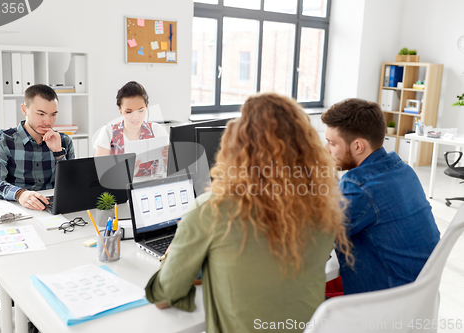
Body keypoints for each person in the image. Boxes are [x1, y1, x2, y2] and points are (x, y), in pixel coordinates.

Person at [145, 93, 353, 333]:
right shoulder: (323, 206)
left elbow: (163, 297)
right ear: (307, 148)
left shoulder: (210, 209)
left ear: (236, 147)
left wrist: (173, 254)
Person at [321, 98, 440, 295]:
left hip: (385, 300)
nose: (326, 149)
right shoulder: (402, 169)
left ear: (358, 146)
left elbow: (312, 235)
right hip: (420, 292)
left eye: (332, 143)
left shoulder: (361, 189)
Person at [0, 84, 74, 210]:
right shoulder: (2, 139)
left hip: (47, 207)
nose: (48, 121)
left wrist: (58, 153)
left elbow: (72, 185)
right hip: (10, 206)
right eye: (41, 114)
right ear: (24, 110)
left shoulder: (64, 141)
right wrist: (19, 194)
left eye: (53, 114)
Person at [94, 81, 168, 177]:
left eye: (141, 110)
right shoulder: (108, 133)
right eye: (129, 112)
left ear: (146, 106)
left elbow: (173, 169)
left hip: (151, 187)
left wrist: (170, 157)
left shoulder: (156, 130)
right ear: (120, 109)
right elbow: (100, 173)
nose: (135, 117)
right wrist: (124, 170)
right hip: (119, 188)